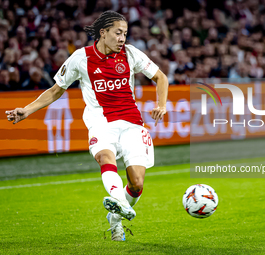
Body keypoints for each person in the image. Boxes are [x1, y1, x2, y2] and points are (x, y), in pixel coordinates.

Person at [5, 11, 168, 241]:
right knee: (105, 157)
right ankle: (120, 203)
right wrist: (26, 110)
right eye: (118, 33)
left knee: (137, 183)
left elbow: (161, 77)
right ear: (103, 33)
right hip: (101, 121)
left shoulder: (130, 54)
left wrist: (161, 105)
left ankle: (115, 218)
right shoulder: (80, 58)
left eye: (125, 33)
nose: (122, 38)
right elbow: (55, 91)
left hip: (132, 123)